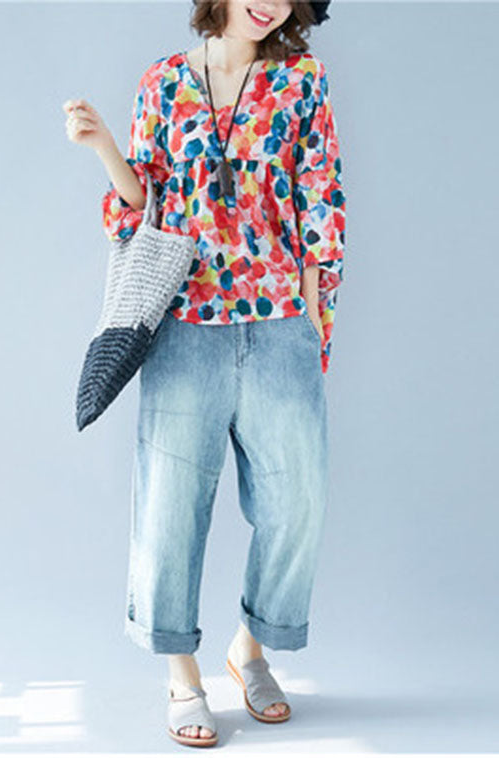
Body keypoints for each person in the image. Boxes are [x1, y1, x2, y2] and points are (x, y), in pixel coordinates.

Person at [63, 0, 345, 747]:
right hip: (185, 325)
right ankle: (182, 675)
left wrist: (312, 320)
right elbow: (144, 204)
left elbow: (321, 199)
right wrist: (103, 147)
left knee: (299, 501)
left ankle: (249, 649)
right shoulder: (161, 83)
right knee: (170, 506)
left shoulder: (303, 81)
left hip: (279, 318)